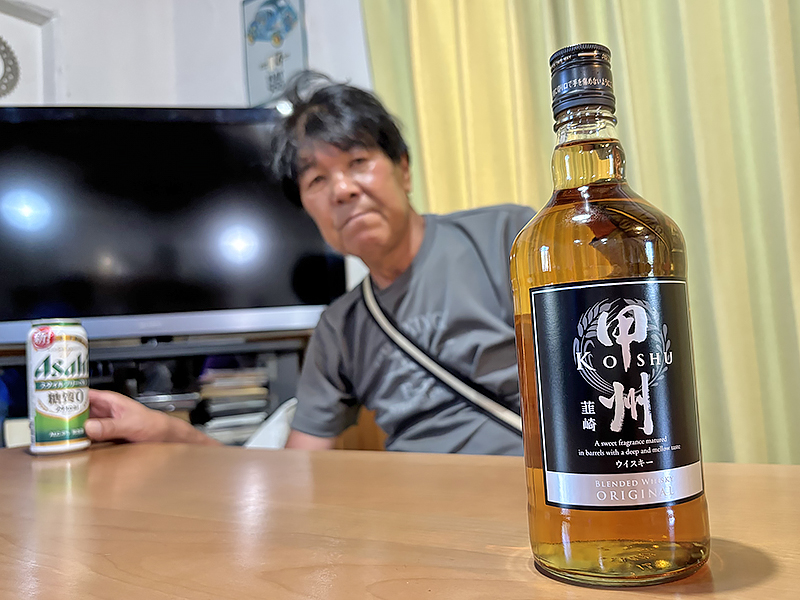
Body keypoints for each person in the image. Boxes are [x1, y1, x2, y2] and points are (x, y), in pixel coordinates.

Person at [85, 72, 535, 455]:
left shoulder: (510, 239)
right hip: (420, 513)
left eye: (358, 161)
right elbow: (292, 474)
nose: (342, 190)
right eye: (318, 179)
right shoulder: (339, 330)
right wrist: (169, 433)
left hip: (540, 494)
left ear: (403, 169)